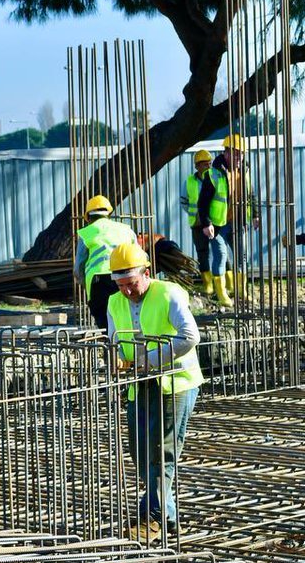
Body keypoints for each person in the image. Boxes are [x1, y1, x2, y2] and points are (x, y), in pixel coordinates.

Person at [106, 243, 203, 541]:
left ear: (146, 273)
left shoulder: (169, 293)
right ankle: (169, 517)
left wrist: (147, 360)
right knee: (141, 452)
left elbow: (190, 337)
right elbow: (113, 341)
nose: (127, 291)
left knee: (163, 453)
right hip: (139, 384)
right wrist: (115, 361)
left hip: (176, 382)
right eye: (121, 285)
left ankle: (152, 518)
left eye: (132, 284)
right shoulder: (114, 302)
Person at [202, 133, 259, 298]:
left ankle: (241, 290)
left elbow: (251, 195)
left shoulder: (245, 171)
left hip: (238, 222)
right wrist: (207, 223)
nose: (239, 157)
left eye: (241, 153)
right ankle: (221, 294)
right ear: (225, 153)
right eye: (235, 153)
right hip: (218, 225)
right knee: (221, 255)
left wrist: (255, 215)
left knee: (242, 257)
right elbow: (203, 202)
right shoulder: (213, 174)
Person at [74, 195, 137, 329]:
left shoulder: (86, 233)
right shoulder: (126, 230)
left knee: (104, 323)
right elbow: (139, 256)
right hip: (126, 278)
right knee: (128, 317)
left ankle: (110, 346)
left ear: (88, 217)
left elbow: (78, 268)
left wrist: (85, 284)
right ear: (108, 213)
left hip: (99, 282)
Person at [183, 149, 232, 305]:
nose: (207, 166)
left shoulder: (215, 177)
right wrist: (196, 215)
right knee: (202, 253)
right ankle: (208, 285)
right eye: (204, 164)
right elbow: (184, 201)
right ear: (197, 166)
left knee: (221, 253)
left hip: (215, 223)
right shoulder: (190, 181)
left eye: (209, 163)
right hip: (197, 224)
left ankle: (229, 284)